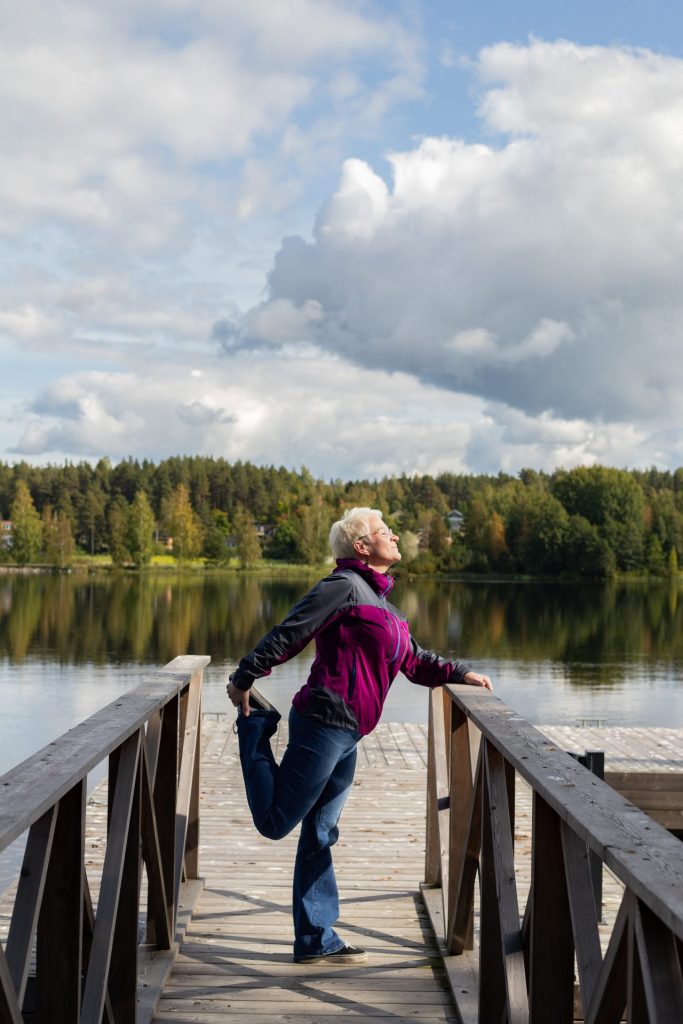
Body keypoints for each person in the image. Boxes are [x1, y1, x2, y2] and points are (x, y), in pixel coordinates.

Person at [227, 507, 492, 965]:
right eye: (384, 531)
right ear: (362, 547)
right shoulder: (343, 587)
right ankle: (253, 730)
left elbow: (415, 661)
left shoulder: (384, 606)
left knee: (322, 831)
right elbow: (292, 631)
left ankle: (315, 939)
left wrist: (460, 672)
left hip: (349, 733)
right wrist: (245, 675)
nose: (394, 536)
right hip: (323, 722)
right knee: (275, 823)